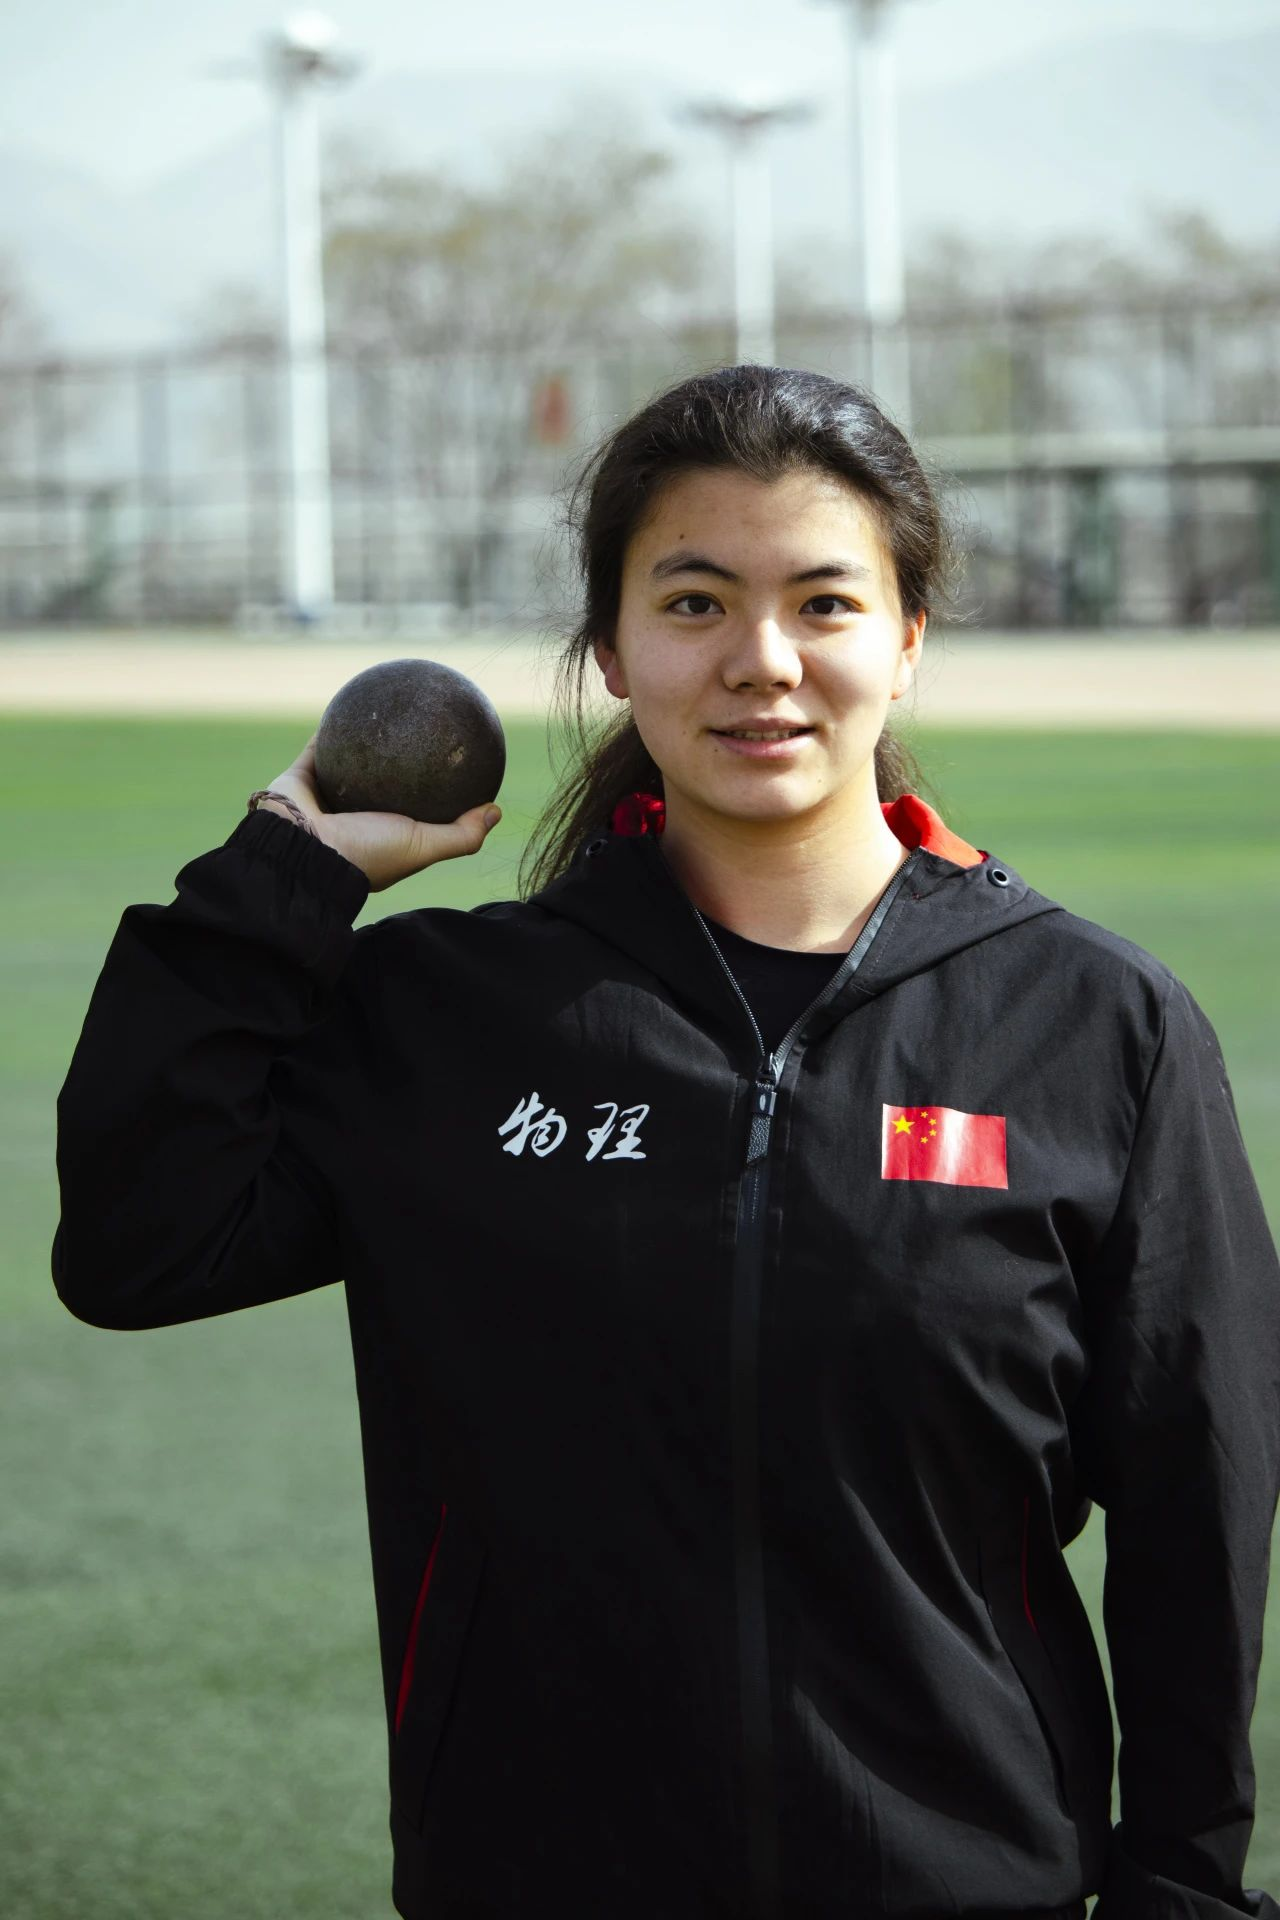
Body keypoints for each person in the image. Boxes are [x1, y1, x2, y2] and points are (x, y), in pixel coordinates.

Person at [52, 364, 1279, 1920]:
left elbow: (1196, 1503)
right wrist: (282, 877)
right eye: (695, 603)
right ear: (612, 651)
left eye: (824, 604)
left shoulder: (1094, 1025)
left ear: (907, 642)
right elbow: (140, 1244)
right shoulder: (451, 1015)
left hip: (969, 1882)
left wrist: (1184, 1889)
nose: (763, 660)